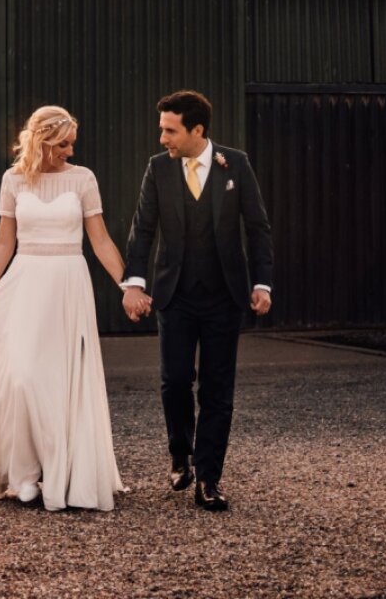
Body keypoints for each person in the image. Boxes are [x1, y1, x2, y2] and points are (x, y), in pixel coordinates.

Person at [0, 105, 128, 511]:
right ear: (42, 141)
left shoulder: (83, 178)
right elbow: (3, 243)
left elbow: (100, 240)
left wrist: (127, 286)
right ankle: (23, 474)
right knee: (21, 375)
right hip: (26, 281)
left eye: (71, 143)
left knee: (61, 379)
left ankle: (59, 473)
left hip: (68, 281)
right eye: (62, 143)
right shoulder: (12, 180)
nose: (69, 150)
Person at [120, 89, 275, 513]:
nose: (162, 139)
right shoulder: (158, 169)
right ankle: (179, 454)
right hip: (174, 295)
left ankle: (209, 478)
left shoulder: (235, 165)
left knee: (218, 390)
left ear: (197, 130)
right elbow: (143, 230)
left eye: (170, 130)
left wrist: (263, 284)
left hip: (225, 296)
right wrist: (134, 283)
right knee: (174, 381)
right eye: (162, 129)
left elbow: (258, 229)